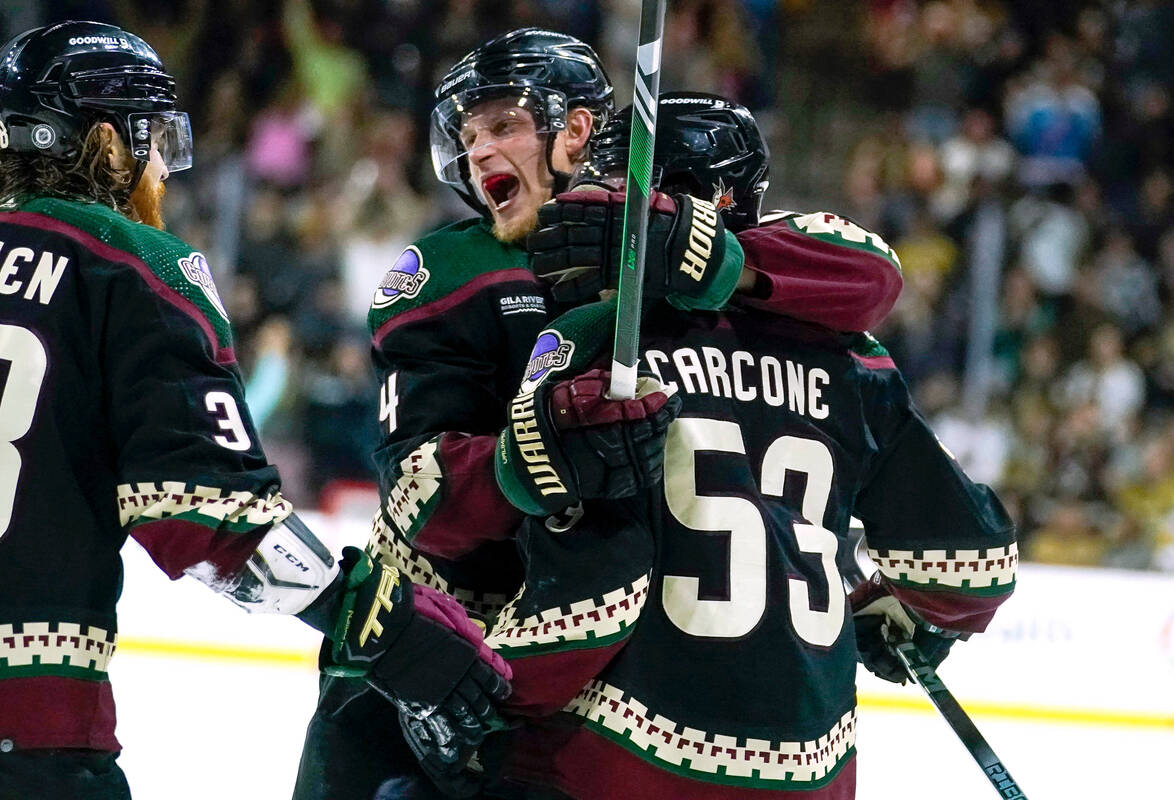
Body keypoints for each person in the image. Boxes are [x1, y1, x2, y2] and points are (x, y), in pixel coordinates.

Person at [294, 31, 903, 799]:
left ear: (576, 130)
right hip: (437, 643)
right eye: (469, 135)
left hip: (584, 668)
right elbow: (416, 496)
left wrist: (709, 255)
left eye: (503, 126)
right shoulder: (445, 274)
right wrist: (531, 457)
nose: (480, 152)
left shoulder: (656, 249)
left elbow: (870, 278)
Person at [0, 21, 508, 800]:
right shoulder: (133, 267)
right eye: (153, 142)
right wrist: (386, 625)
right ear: (105, 146)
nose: (163, 170)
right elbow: (215, 522)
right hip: (29, 736)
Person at [478, 91, 1019, 799]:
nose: (594, 207)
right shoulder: (857, 362)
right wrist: (902, 612)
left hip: (625, 751)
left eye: (614, 186)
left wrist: (482, 694)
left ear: (694, 199)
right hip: (813, 768)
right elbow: (971, 566)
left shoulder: (599, 338)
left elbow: (557, 534)